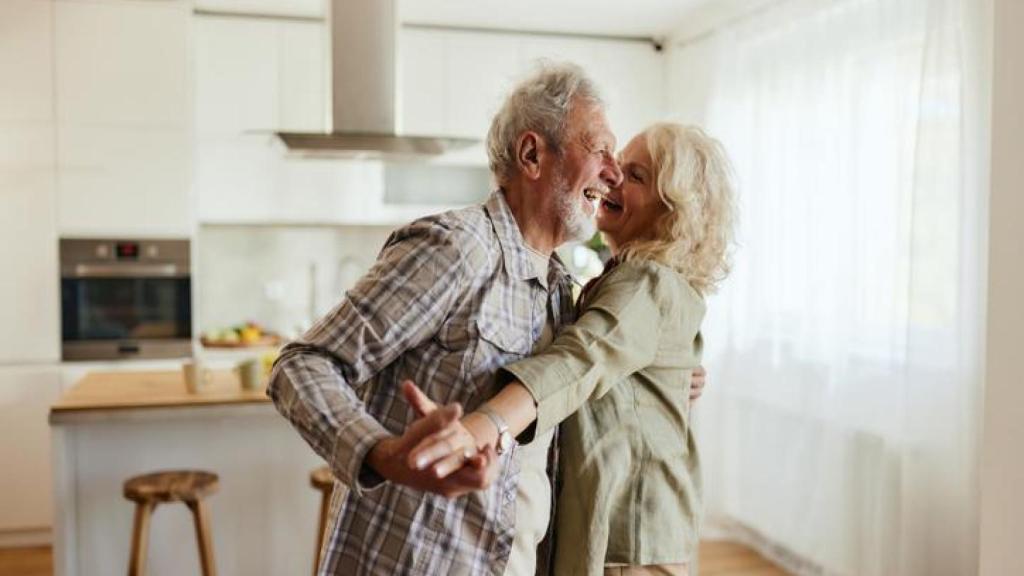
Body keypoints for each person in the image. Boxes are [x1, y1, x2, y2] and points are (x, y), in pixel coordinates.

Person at [269, 62, 626, 575]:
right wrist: (381, 452)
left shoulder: (557, 289)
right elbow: (301, 364)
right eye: (600, 149)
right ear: (532, 154)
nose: (614, 172)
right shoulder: (460, 248)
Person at [406, 122, 736, 576]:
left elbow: (579, 359)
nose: (613, 177)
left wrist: (487, 424)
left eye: (636, 176)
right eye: (619, 165)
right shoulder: (628, 276)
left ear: (673, 211)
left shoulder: (647, 281)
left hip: (629, 541)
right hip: (635, 532)